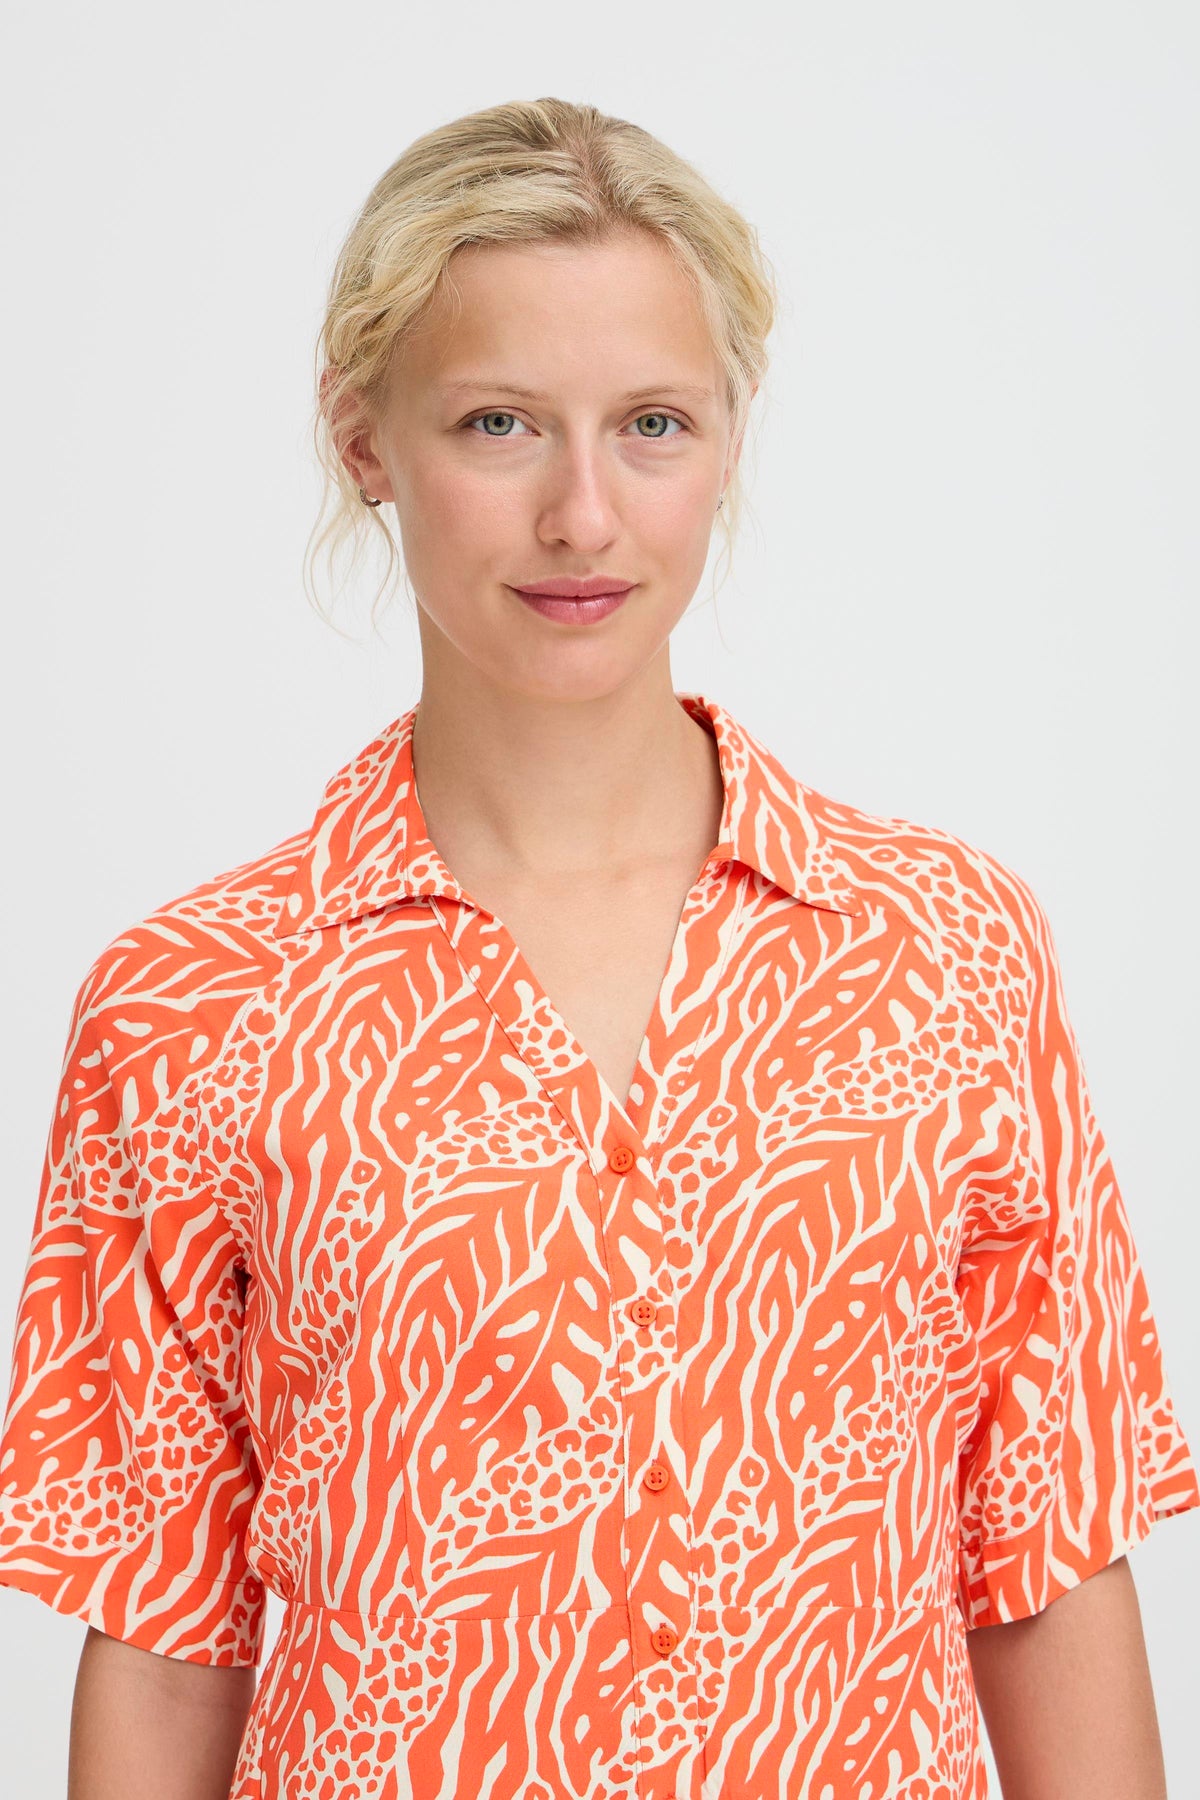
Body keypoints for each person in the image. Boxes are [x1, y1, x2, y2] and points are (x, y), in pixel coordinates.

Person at [1, 97, 1196, 1800]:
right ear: (362, 437)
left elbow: (1048, 1561)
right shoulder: (192, 1004)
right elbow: (165, 1635)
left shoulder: (947, 950)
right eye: (498, 424)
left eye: (652, 425)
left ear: (729, 436)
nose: (583, 516)